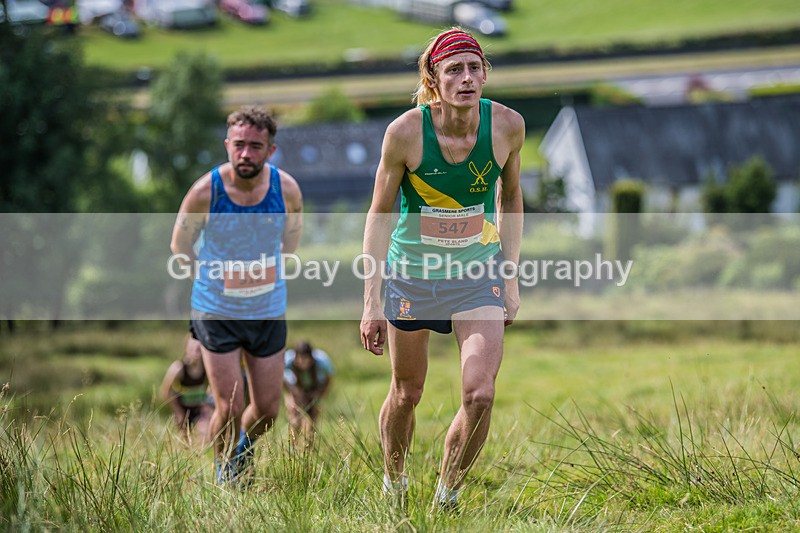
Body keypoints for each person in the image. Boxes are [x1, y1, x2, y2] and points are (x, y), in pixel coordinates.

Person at [359, 27, 524, 510]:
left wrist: (509, 275)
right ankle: (394, 484)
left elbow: (510, 196)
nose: (467, 78)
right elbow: (378, 214)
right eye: (454, 69)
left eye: (475, 68)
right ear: (434, 80)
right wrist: (371, 300)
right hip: (413, 274)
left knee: (481, 394)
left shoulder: (508, 126)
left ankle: (447, 495)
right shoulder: (406, 133)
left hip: (477, 273)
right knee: (407, 392)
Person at [170, 105, 303, 486]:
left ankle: (241, 450)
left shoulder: (287, 190)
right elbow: (180, 244)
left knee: (268, 410)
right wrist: (213, 277)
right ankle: (225, 475)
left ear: (271, 150)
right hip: (217, 310)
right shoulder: (204, 192)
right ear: (227, 145)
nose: (246, 154)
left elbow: (290, 245)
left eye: (256, 147)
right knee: (230, 405)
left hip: (267, 309)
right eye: (239, 145)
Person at [160, 333, 212, 444]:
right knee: (184, 440)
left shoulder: (207, 367)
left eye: (199, 348)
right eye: (193, 348)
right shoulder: (178, 368)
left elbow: (212, 387)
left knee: (204, 434)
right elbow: (166, 391)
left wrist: (206, 406)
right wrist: (178, 412)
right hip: (182, 408)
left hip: (199, 408)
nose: (196, 352)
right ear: (186, 349)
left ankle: (201, 455)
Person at [283, 340, 334, 446]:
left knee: (313, 418)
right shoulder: (287, 360)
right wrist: (292, 394)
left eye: (306, 361)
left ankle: (309, 448)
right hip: (296, 388)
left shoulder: (322, 361)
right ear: (295, 357)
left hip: (314, 388)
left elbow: (329, 379)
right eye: (300, 361)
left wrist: (319, 394)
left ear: (311, 358)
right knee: (295, 417)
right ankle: (293, 448)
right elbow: (281, 377)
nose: (303, 365)